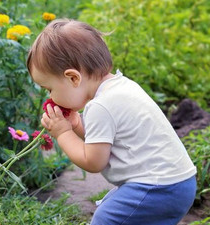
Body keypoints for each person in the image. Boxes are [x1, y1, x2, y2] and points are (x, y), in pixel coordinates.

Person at [27, 18, 197, 225]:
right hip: (178, 183)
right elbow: (103, 139)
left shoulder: (100, 106)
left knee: (107, 219)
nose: (51, 98)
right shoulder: (120, 87)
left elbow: (94, 161)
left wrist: (63, 133)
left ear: (73, 78)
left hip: (157, 187)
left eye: (49, 89)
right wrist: (77, 125)